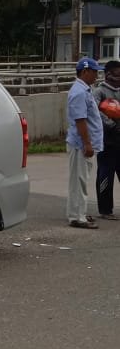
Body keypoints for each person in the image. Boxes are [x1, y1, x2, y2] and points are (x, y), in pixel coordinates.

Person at [66, 56, 103, 228]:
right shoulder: (79, 92)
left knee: (80, 180)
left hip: (84, 144)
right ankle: (76, 217)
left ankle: (79, 212)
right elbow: (80, 120)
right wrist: (87, 143)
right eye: (94, 72)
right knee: (78, 181)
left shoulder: (84, 90)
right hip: (81, 144)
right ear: (85, 71)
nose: (96, 76)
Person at [94, 59, 120, 219]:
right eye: (117, 74)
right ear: (108, 74)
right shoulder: (99, 92)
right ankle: (105, 209)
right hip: (107, 141)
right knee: (105, 175)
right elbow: (97, 113)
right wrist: (111, 124)